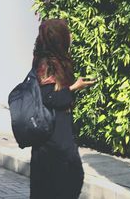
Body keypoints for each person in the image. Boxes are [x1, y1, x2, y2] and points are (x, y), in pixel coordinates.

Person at [30, 19, 95, 199]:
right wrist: (74, 87)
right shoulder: (46, 63)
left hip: (58, 128)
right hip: (53, 130)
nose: (71, 36)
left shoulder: (54, 59)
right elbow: (48, 97)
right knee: (71, 175)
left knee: (52, 181)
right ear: (58, 38)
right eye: (67, 33)